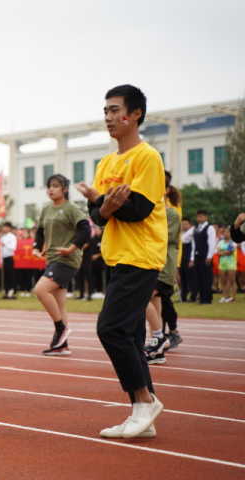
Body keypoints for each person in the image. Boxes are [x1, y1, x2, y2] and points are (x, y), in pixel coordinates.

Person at [76, 84, 166, 439]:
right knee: (129, 334)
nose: (109, 118)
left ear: (135, 114)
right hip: (118, 255)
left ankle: (145, 402)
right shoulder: (107, 163)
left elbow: (139, 209)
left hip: (142, 254)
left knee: (110, 329)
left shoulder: (147, 157)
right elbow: (96, 216)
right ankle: (143, 413)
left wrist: (106, 204)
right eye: (106, 112)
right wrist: (103, 205)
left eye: (115, 110)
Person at [32, 174, 90, 356]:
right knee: (59, 304)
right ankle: (62, 345)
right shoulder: (46, 209)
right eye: (49, 186)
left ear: (64, 189)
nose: (51, 189)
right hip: (52, 259)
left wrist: (71, 248)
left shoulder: (71, 208)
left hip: (67, 260)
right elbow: (40, 231)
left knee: (40, 290)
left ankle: (60, 328)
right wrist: (37, 248)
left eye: (56, 186)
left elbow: (85, 229)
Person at [144, 178, 181, 364]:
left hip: (163, 264)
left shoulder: (171, 214)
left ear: (166, 190)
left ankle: (159, 338)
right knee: (155, 304)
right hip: (150, 263)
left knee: (140, 298)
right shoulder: (150, 212)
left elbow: (165, 237)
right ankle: (156, 350)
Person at [189, 210, 217, 304]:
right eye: (198, 216)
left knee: (206, 277)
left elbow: (212, 243)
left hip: (205, 255)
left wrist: (209, 256)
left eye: (201, 216)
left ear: (206, 217)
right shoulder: (196, 228)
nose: (199, 218)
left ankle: (207, 298)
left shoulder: (210, 228)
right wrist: (192, 258)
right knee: (199, 277)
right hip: (197, 255)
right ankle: (201, 297)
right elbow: (193, 244)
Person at [179, 218, 196, 302]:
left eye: (186, 224)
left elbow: (193, 247)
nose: (184, 226)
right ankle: (183, 297)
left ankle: (193, 296)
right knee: (183, 278)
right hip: (181, 258)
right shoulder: (181, 233)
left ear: (190, 225)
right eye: (182, 224)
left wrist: (192, 259)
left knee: (191, 278)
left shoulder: (192, 232)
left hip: (188, 258)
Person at [217, 228, 237, 303]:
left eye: (228, 232)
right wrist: (223, 252)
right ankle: (225, 296)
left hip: (231, 263)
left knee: (232, 280)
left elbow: (230, 252)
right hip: (222, 263)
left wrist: (222, 252)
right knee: (223, 281)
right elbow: (218, 252)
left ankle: (233, 297)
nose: (226, 234)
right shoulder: (220, 242)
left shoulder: (233, 242)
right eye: (225, 232)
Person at [0, 222, 17, 299]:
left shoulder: (12, 237)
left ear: (9, 228)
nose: (4, 229)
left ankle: (11, 291)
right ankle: (6, 292)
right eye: (4, 227)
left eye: (6, 227)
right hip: (4, 258)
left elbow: (13, 247)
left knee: (10, 275)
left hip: (9, 257)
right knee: (5, 276)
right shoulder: (2, 237)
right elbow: (0, 250)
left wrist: (5, 244)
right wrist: (0, 260)